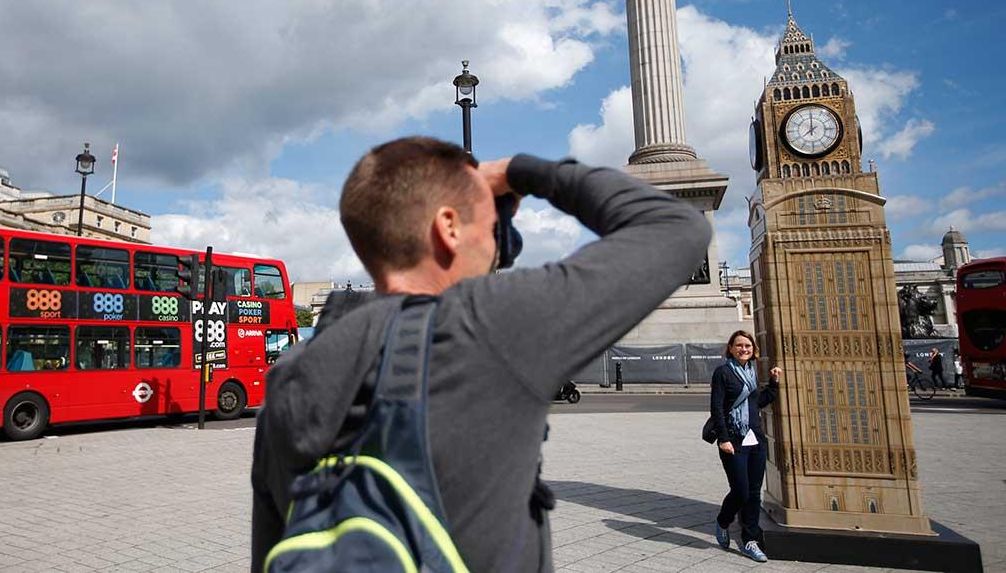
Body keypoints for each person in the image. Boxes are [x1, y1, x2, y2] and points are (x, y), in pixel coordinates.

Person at [250, 137, 711, 572]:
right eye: (491, 225)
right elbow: (678, 228)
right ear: (448, 227)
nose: (498, 243)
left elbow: (270, 549)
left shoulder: (290, 373)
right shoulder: (489, 326)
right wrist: (521, 171)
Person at [710, 330, 782, 564]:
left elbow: (756, 403)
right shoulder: (722, 373)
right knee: (740, 490)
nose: (744, 349)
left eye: (748, 346)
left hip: (755, 440)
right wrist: (723, 438)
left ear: (753, 350)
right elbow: (717, 408)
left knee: (753, 492)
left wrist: (773, 384)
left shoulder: (752, 372)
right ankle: (723, 520)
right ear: (730, 348)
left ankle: (750, 539)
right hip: (733, 439)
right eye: (739, 345)